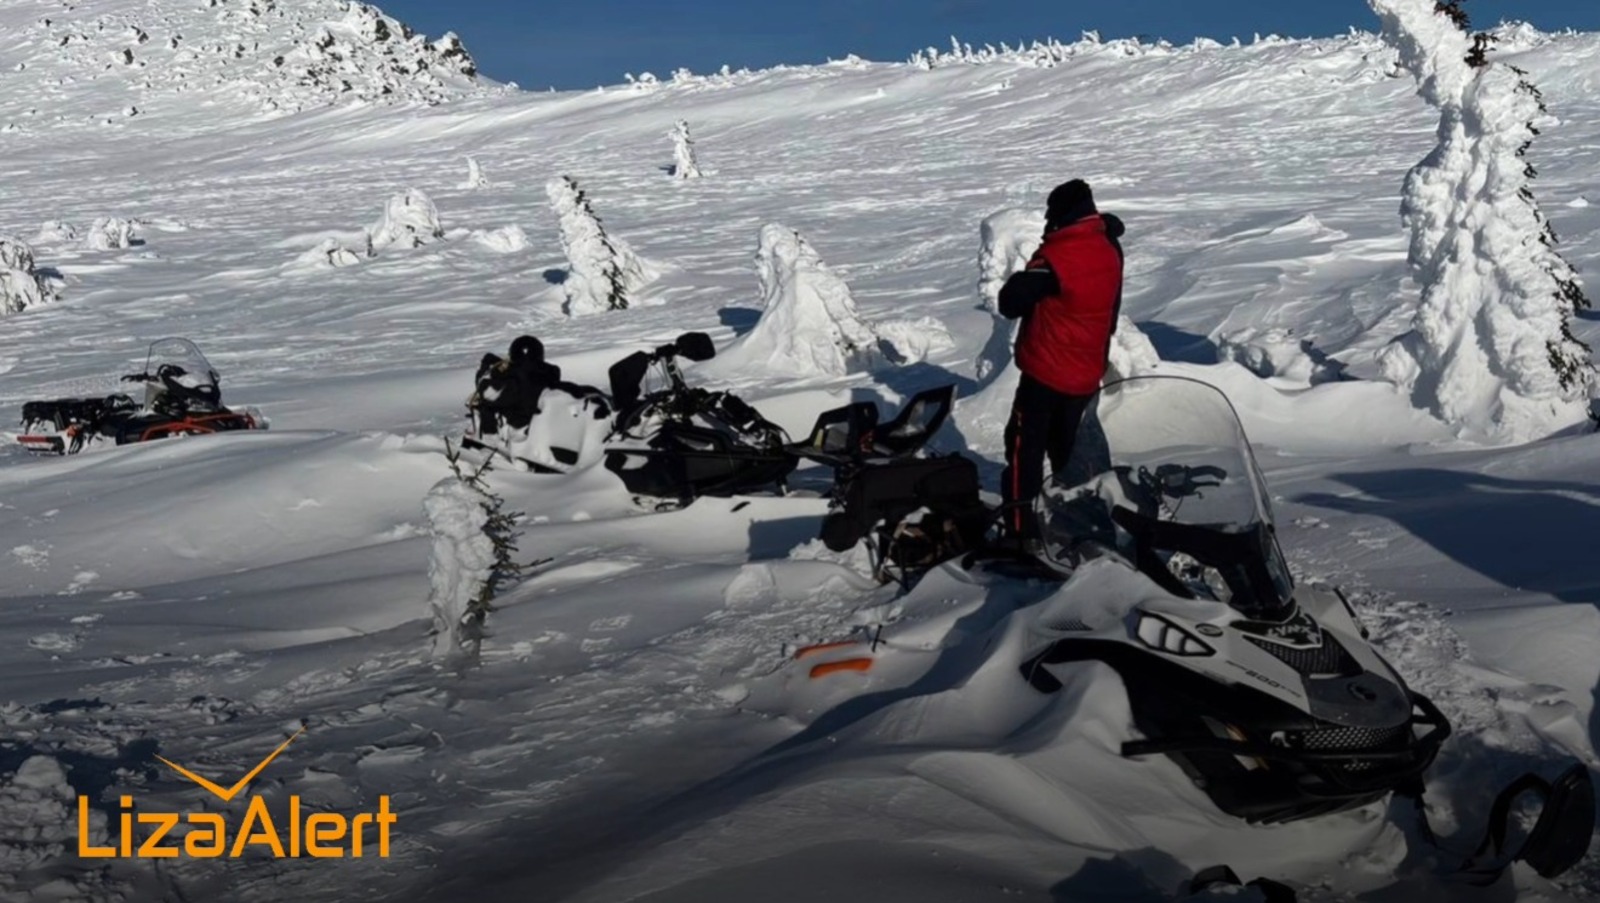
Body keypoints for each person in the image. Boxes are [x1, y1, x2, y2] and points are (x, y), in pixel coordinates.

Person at [996, 179, 1126, 547]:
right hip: (1087, 371)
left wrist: (1032, 269)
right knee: (1071, 451)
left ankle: (1022, 531)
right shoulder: (1109, 246)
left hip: (1045, 373)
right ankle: (1085, 519)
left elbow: (1011, 302)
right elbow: (1112, 308)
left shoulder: (1059, 256)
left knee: (1025, 450)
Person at [473, 335, 563, 432]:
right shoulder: (552, 371)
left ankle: (490, 436)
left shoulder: (509, 373)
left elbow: (487, 393)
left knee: (486, 407)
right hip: (543, 419)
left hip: (518, 423)